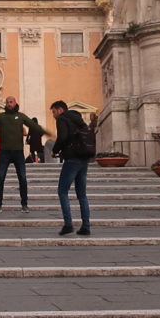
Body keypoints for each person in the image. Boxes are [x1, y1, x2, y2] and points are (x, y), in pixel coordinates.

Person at [0, 96, 45, 211]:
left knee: (22, 178)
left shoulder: (21, 116)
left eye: (11, 102)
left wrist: (46, 132)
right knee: (0, 178)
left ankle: (24, 204)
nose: (9, 104)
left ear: (15, 103)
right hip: (4, 153)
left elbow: (33, 126)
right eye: (7, 102)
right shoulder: (1, 117)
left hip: (18, 153)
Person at [50, 98, 95, 236]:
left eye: (53, 112)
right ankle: (86, 226)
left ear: (60, 110)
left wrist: (55, 150)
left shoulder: (62, 119)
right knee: (82, 194)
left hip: (72, 159)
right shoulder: (79, 120)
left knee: (62, 191)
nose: (53, 115)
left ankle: (68, 224)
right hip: (84, 158)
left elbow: (62, 137)